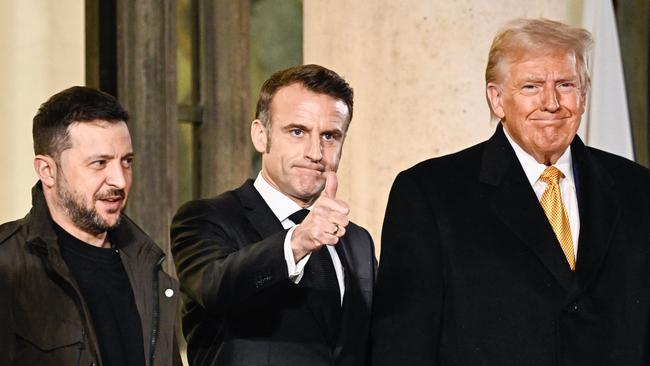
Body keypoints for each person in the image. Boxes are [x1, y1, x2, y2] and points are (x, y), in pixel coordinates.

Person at [371, 18, 650, 366]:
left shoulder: (638, 190)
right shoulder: (431, 193)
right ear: (497, 99)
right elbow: (402, 345)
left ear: (583, 95)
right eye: (531, 86)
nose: (551, 103)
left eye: (565, 84)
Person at [171, 64, 376, 366]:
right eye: (297, 132)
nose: (316, 152)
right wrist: (297, 242)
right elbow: (215, 287)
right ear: (260, 135)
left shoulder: (357, 241)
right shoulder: (205, 218)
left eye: (330, 136)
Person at [0, 86, 181, 366]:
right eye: (99, 163)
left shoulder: (148, 266)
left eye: (127, 162)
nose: (120, 181)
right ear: (47, 170)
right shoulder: (7, 264)